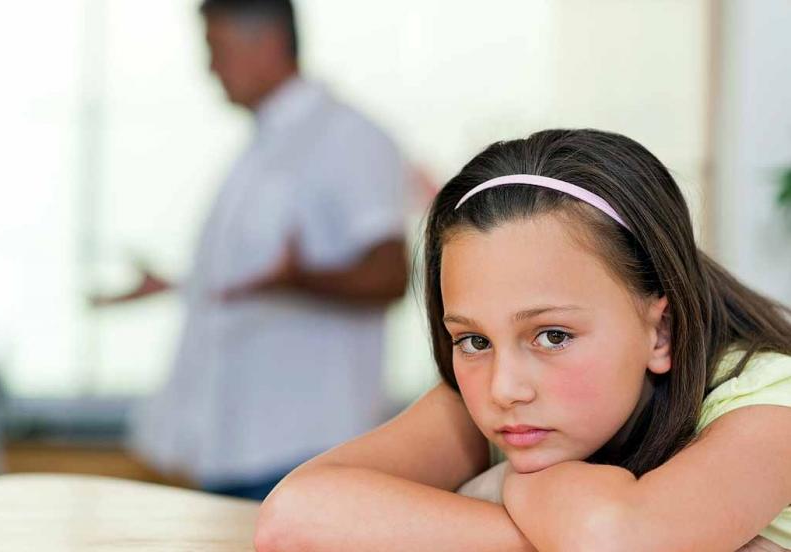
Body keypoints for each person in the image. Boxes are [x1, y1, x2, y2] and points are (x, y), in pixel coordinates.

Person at [254, 129, 791, 551]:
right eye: (472, 340)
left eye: (552, 336)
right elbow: (294, 519)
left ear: (660, 331)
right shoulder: (507, 399)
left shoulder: (772, 402)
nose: (505, 388)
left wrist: (508, 490)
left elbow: (616, 540)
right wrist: (546, 530)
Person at [98, 0, 408, 500]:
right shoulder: (265, 147)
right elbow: (254, 278)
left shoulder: (348, 138)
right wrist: (182, 285)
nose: (210, 68)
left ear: (266, 44)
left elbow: (390, 274)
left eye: (215, 48)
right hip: (235, 446)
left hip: (302, 451)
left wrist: (298, 280)